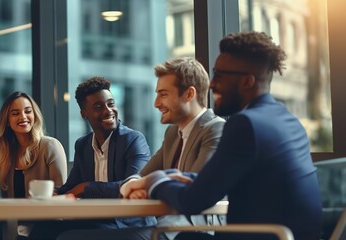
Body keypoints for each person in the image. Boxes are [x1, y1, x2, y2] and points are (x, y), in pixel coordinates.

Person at [121, 31, 322, 240]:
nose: (212, 83)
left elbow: (194, 201)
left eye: (220, 75)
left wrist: (154, 182)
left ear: (247, 82)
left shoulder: (245, 124)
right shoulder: (287, 120)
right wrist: (169, 178)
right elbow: (214, 180)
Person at [29, 76, 156, 240]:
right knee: (43, 228)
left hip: (131, 224)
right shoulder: (83, 145)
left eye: (111, 104)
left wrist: (86, 186)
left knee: (68, 238)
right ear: (84, 114)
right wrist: (54, 193)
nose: (108, 110)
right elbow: (72, 186)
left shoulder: (133, 140)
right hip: (98, 220)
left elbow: (132, 186)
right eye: (98, 106)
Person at [124, 57, 226, 240]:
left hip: (198, 228)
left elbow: (193, 189)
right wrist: (133, 185)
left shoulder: (216, 128)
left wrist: (146, 184)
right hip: (166, 223)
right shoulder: (172, 133)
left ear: (189, 94)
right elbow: (143, 175)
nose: (156, 103)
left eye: (163, 94)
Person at [0, 91, 67, 238]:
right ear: (7, 121)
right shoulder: (6, 157)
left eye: (28, 111)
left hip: (48, 226)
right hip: (17, 229)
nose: (23, 117)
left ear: (35, 115)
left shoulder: (50, 146)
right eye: (15, 113)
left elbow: (62, 192)